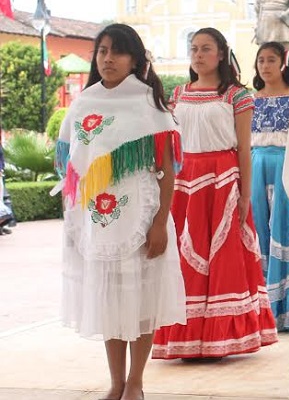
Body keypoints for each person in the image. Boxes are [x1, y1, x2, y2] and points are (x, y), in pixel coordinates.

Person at [55, 23, 186, 400]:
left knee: (141, 299)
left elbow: (167, 170)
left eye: (117, 51)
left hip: (141, 218)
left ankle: (136, 382)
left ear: (134, 59)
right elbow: (73, 167)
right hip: (97, 222)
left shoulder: (149, 104)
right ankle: (115, 382)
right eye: (102, 51)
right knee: (109, 299)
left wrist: (160, 223)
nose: (108, 58)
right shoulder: (83, 103)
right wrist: (74, 221)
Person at [152, 28, 278, 360]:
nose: (198, 55)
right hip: (185, 180)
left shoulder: (236, 95)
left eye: (206, 49)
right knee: (185, 255)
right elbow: (170, 143)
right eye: (194, 49)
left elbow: (243, 149)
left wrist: (245, 195)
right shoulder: (177, 94)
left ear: (221, 53)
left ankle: (219, 338)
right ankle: (187, 337)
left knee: (222, 257)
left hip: (223, 179)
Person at [250, 41, 289, 331]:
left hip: (287, 168)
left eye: (271, 60)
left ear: (283, 63)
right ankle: (262, 306)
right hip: (256, 168)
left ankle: (288, 307)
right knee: (259, 230)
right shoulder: (250, 100)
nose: (265, 66)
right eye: (261, 60)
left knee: (284, 228)